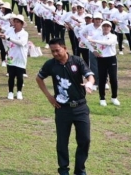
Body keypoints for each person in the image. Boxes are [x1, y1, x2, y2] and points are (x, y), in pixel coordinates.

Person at [36, 38, 95, 175]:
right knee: (62, 142)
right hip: (62, 109)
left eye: (57, 50)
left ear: (65, 48)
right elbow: (39, 78)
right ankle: (63, 170)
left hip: (80, 107)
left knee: (85, 140)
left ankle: (80, 170)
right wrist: (49, 97)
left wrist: (89, 83)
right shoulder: (50, 64)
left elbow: (90, 75)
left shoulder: (77, 61)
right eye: (52, 51)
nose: (55, 54)